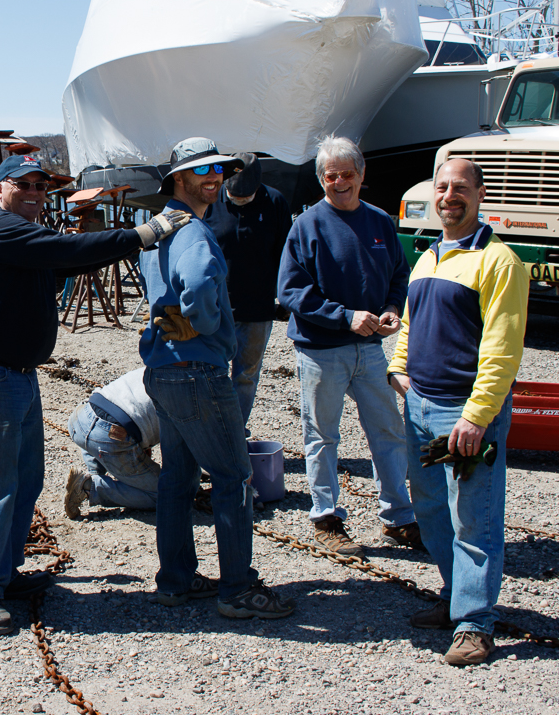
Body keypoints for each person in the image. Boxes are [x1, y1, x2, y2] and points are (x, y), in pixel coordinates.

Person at [0, 153, 190, 635]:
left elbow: (73, 256)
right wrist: (146, 232)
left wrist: (103, 245)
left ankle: (6, 572)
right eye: (23, 184)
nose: (34, 191)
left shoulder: (29, 241)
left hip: (17, 374)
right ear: (0, 188)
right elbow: (69, 253)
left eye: (41, 185)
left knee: (26, 478)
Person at [141, 137, 294, 619]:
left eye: (219, 171)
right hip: (198, 371)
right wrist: (204, 324)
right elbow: (201, 286)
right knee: (233, 476)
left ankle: (176, 580)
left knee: (177, 479)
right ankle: (237, 589)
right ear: (178, 178)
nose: (216, 179)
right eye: (204, 171)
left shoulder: (156, 230)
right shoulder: (194, 234)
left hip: (164, 369)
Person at [388, 158, 527, 666]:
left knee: (475, 518)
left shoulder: (500, 262)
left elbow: (502, 348)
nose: (450, 196)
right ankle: (456, 599)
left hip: (464, 414)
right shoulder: (428, 257)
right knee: (431, 510)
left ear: (480, 194)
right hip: (421, 407)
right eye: (442, 187)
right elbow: (410, 323)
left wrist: (478, 415)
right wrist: (398, 371)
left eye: (461, 188)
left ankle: (476, 624)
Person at [276, 135, 422, 557]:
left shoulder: (379, 222)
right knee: (322, 436)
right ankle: (326, 518)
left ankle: (398, 517)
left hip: (371, 349)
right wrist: (346, 317)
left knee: (389, 432)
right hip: (321, 350)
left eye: (347, 174)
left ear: (362, 175)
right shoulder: (305, 226)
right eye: (331, 175)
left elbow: (399, 273)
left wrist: (393, 308)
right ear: (322, 179)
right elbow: (291, 291)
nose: (339, 182)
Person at [204, 152, 291, 432]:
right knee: (211, 374)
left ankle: (232, 432)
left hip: (258, 309)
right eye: (234, 196)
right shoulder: (210, 202)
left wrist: (285, 297)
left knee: (246, 375)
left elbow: (288, 255)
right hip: (216, 309)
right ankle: (212, 433)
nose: (239, 201)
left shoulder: (275, 202)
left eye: (246, 197)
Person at [63, 367, 161, 519]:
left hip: (80, 418)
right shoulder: (186, 391)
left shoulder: (155, 366)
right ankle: (89, 487)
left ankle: (94, 471)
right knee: (169, 494)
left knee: (111, 428)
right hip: (109, 437)